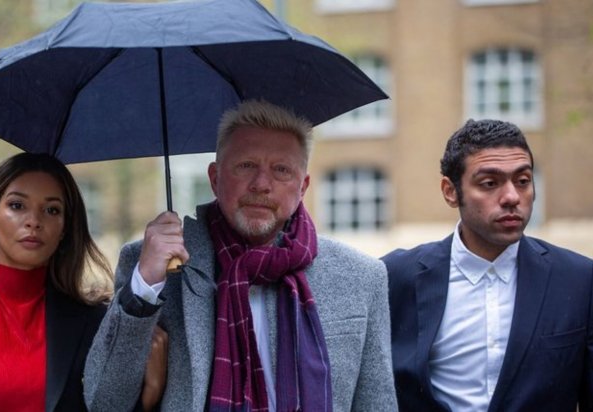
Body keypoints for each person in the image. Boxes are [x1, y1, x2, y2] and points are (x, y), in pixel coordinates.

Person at [83, 100, 397, 411]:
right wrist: (145, 287)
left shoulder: (361, 277)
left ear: (303, 187)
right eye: (246, 165)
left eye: (281, 170)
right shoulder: (157, 266)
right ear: (215, 178)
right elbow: (103, 402)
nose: (261, 184)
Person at [0, 152, 167, 412]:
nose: (34, 221)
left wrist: (149, 397)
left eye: (52, 210)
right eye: (17, 205)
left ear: (65, 228)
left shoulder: (97, 320)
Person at [383, 119, 593, 412]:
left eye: (523, 181)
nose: (512, 197)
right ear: (450, 191)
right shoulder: (395, 277)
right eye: (489, 183)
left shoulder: (578, 279)